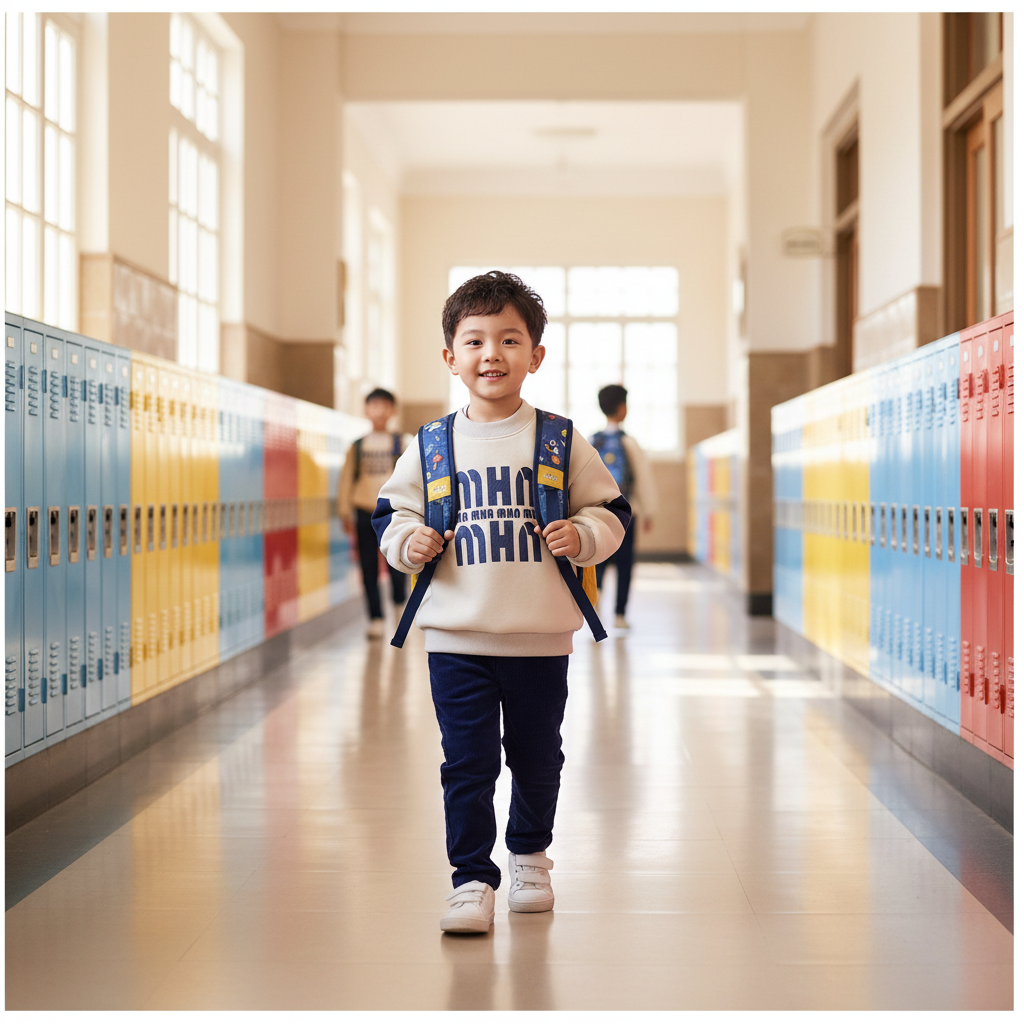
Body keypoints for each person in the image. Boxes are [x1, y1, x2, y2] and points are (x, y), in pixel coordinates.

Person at [373, 271, 629, 933]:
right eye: (475, 340)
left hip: (539, 636)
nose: (492, 354)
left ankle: (529, 856)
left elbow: (611, 511)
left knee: (538, 755)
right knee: (468, 762)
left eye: (510, 340)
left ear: (535, 356)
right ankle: (470, 879)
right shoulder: (431, 444)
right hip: (456, 638)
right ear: (450, 356)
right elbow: (391, 515)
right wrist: (410, 543)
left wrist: (585, 534)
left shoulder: (559, 439)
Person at [337, 388, 411, 639]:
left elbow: (412, 478)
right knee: (367, 566)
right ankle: (376, 618)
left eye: (384, 405)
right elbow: (346, 480)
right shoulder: (357, 446)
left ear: (393, 410)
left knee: (397, 561)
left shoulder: (402, 442)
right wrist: (344, 512)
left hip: (393, 511)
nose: (379, 411)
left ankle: (400, 606)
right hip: (364, 510)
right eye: (374, 405)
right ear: (366, 410)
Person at [590, 384, 658, 629]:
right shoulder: (629, 442)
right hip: (627, 513)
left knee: (597, 559)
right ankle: (619, 613)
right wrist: (648, 510)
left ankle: (595, 604)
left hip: (598, 513)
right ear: (622, 408)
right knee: (625, 562)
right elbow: (643, 479)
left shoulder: (593, 441)